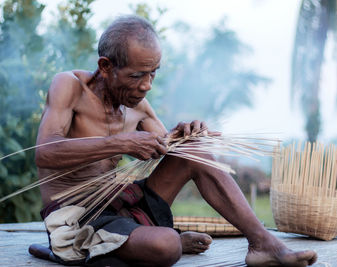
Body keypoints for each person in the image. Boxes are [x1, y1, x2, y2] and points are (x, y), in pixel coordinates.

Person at [35, 15, 318, 267]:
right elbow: (45, 153)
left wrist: (186, 134)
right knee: (167, 245)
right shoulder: (70, 86)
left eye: (153, 72)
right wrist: (125, 143)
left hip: (119, 206)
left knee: (194, 151)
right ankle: (161, 241)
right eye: (136, 75)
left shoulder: (137, 105)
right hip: (78, 218)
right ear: (106, 66)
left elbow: (165, 146)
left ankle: (263, 244)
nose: (147, 85)